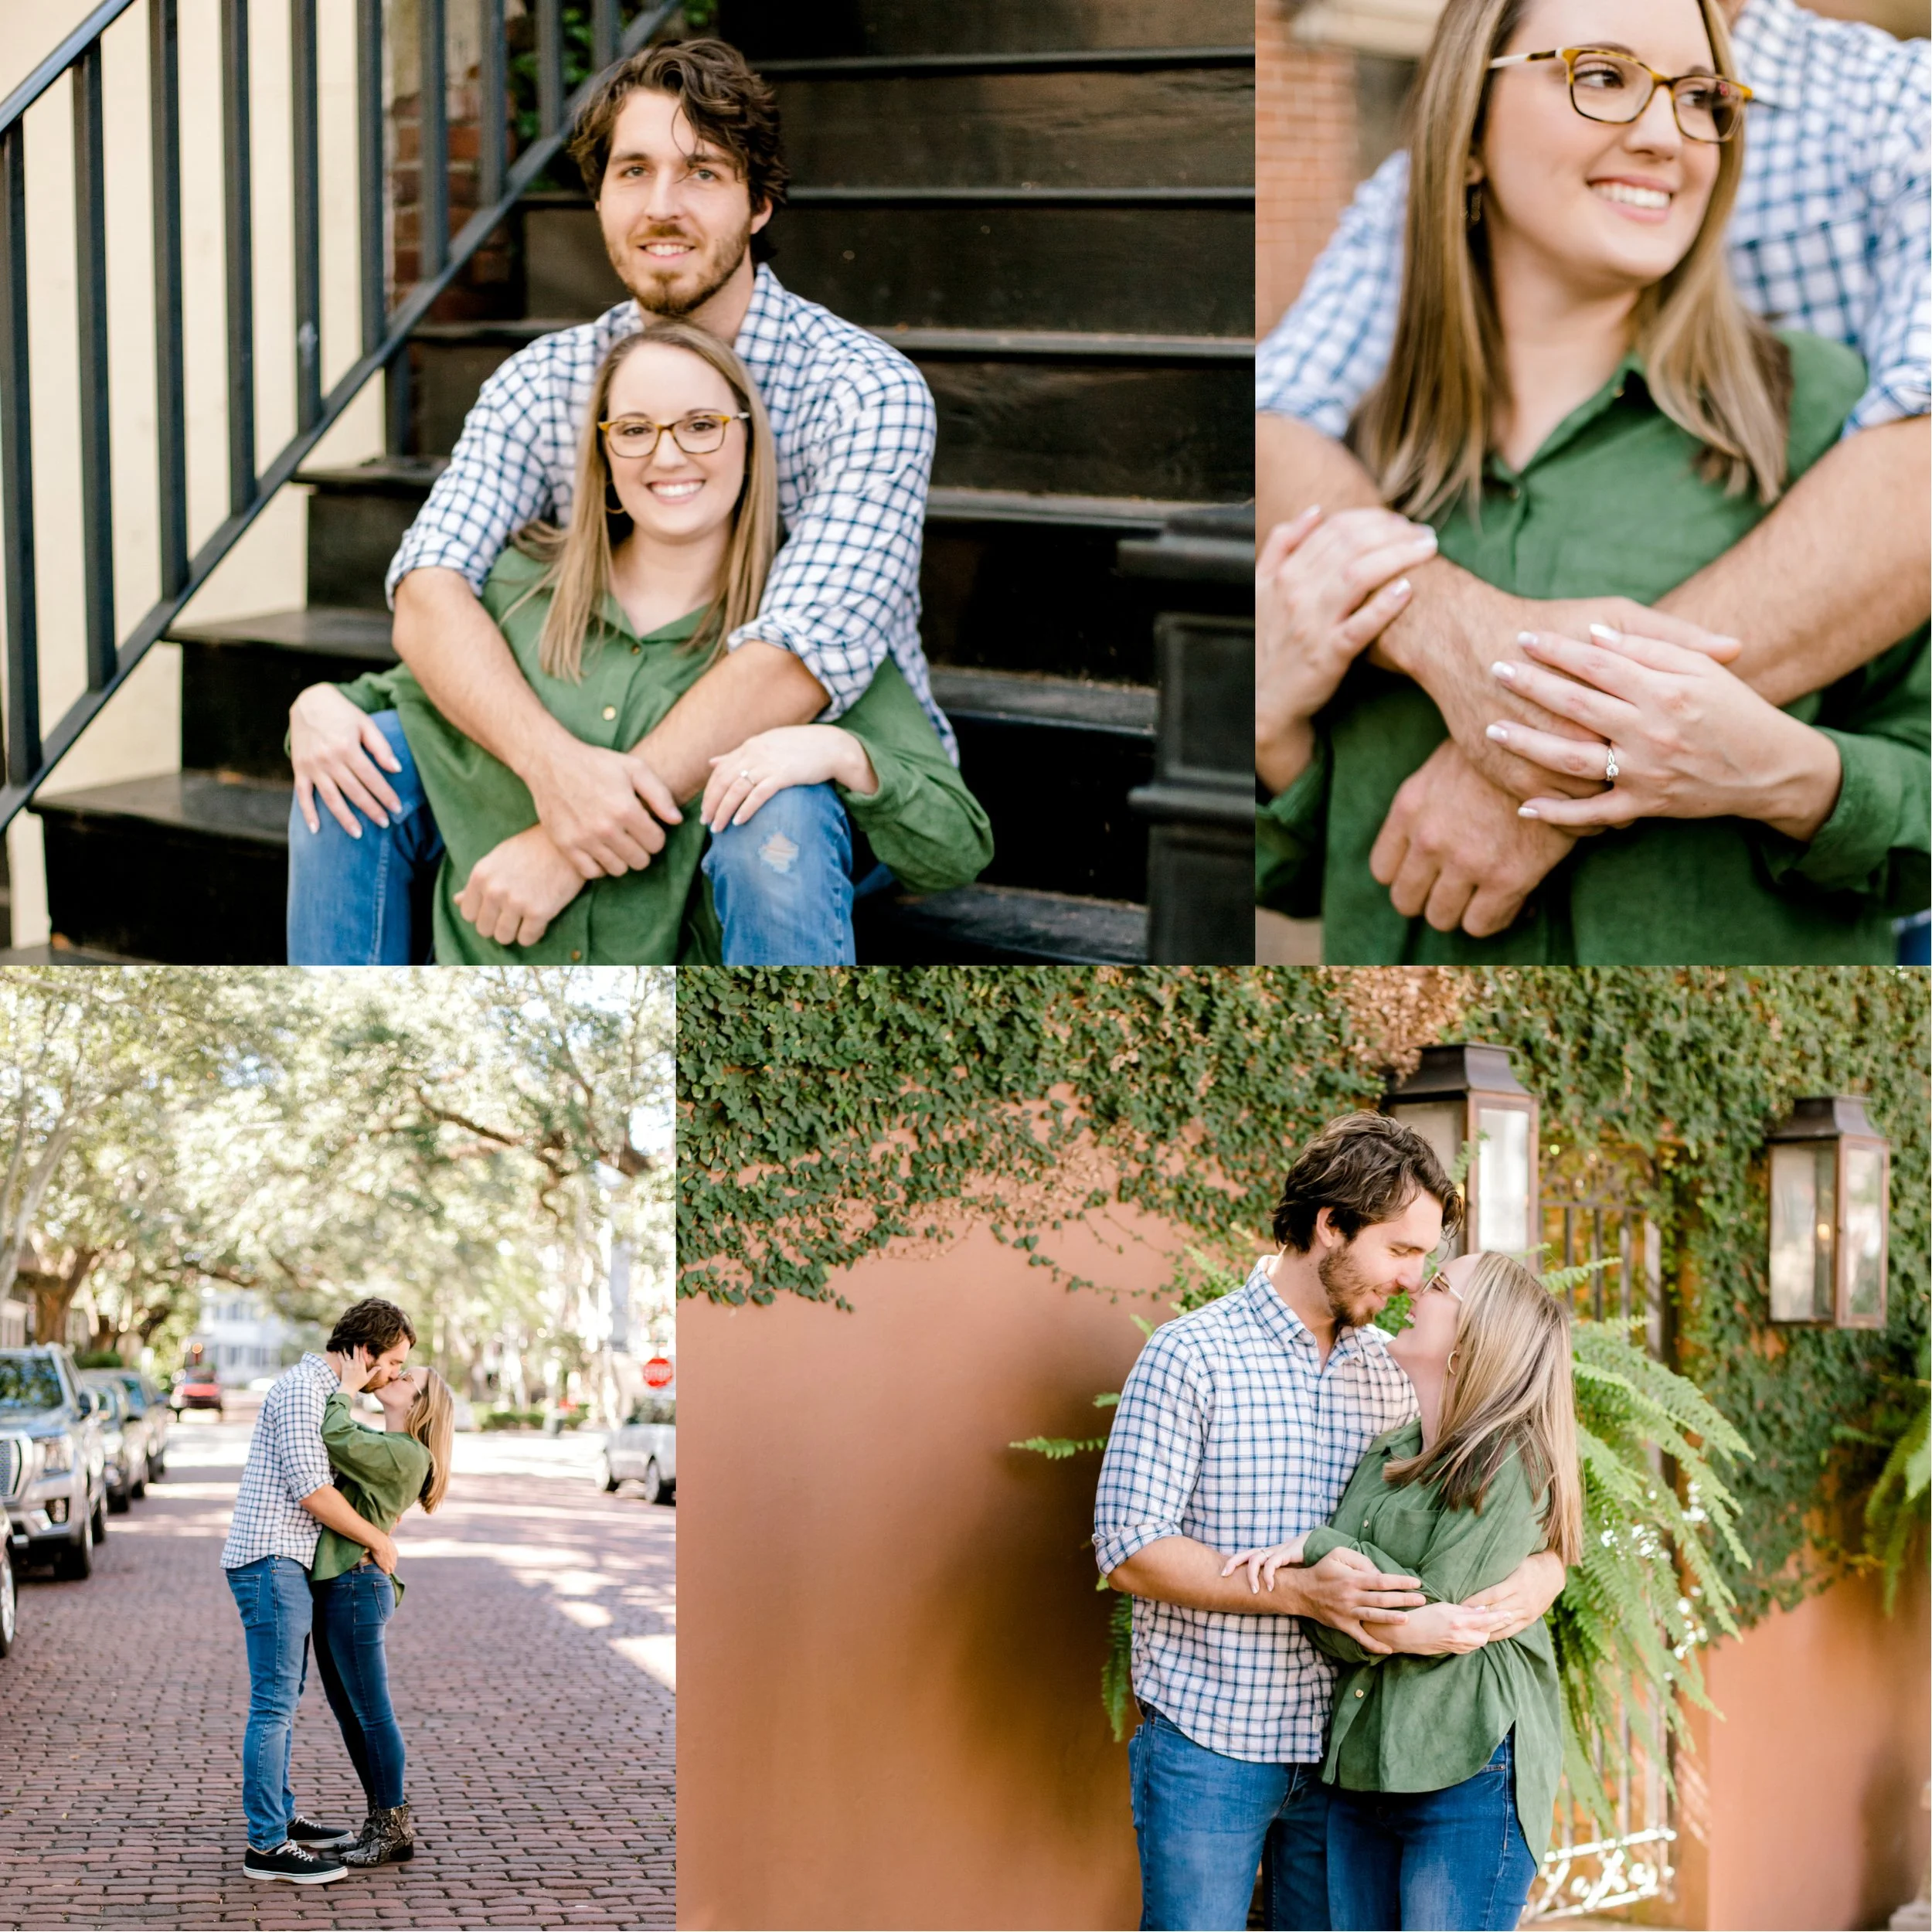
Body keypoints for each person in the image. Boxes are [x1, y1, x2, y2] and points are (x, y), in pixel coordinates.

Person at [1253, 0, 1928, 961]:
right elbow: (1316, 868)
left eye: (1702, 99)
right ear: (1468, 131)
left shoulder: (1825, 416)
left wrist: (1785, 773)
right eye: (1600, 76)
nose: (1663, 134)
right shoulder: (1358, 460)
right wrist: (1272, 741)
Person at [285, 38, 960, 966]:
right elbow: (431, 586)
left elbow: (792, 665)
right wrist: (555, 775)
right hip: (585, 733)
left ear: (759, 203)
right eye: (632, 171)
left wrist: (570, 838)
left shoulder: (861, 390)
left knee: (776, 813)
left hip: (791, 762)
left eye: (701, 172)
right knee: (352, 774)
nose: (661, 206)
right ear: (601, 200)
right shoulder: (547, 380)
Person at [297, 321, 988, 963]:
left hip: (679, 1023)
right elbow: (402, 700)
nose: (667, 454)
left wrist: (840, 751)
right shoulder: (524, 591)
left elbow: (956, 846)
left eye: (701, 426)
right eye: (634, 429)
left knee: (786, 804)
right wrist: (316, 706)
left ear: (749, 443)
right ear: (604, 452)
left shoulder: (801, 634)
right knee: (345, 776)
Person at [1094, 1114, 1566, 1930]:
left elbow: (1503, 1497)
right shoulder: (1190, 1355)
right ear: (1330, 1225)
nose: (1416, 1279)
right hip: (1214, 1739)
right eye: (1401, 1250)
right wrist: (1303, 1593)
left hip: (1349, 1757)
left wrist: (1542, 1572)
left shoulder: (1394, 1374)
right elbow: (1129, 1550)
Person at [1223, 1251, 1580, 1930]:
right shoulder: (1389, 1455)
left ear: (1479, 1336)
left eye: (1440, 1283)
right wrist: (1339, 1597)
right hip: (1364, 1768)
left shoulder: (1511, 1463)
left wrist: (1320, 1551)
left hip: (1468, 1768)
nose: (1415, 1286)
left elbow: (1437, 1607)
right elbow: (1336, 1624)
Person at [219, 1298, 417, 1886]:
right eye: (393, 1361)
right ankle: (267, 1845)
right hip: (271, 1560)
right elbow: (312, 1490)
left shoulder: (323, 1393)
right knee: (274, 1703)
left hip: (283, 1562)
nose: (395, 1373)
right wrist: (378, 1543)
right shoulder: (306, 1389)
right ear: (363, 1351)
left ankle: (278, 1817)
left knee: (284, 1696)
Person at [308, 1362, 457, 1867]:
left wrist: (346, 1387)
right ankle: (380, 1821)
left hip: (356, 1587)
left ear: (418, 1404)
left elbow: (334, 1433)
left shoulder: (405, 1454)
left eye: (404, 1378)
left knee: (371, 1714)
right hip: (342, 1586)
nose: (389, 1375)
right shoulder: (389, 1447)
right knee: (352, 1713)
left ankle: (394, 1823)